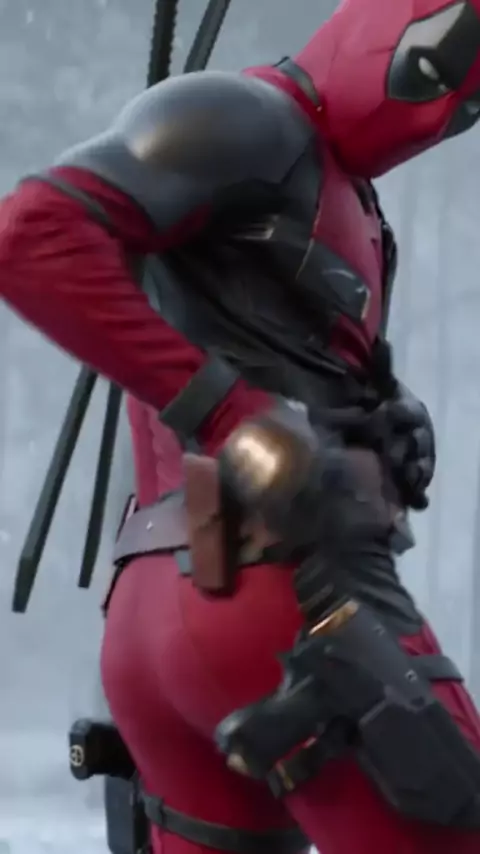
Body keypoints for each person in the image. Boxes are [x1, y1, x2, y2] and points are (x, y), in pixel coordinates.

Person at [2, 0, 480, 852]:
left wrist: (383, 419)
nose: (444, 115)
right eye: (447, 71)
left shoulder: (344, 192)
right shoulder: (247, 118)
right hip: (294, 595)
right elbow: (33, 237)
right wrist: (234, 418)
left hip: (167, 611)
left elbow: (275, 349)